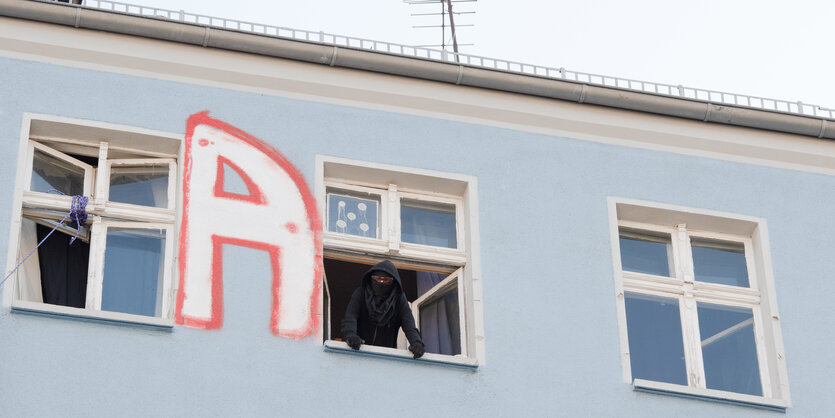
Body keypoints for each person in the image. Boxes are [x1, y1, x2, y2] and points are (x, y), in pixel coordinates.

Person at [341, 260, 425, 358]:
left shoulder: (399, 299)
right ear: (371, 279)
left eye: (386, 280)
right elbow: (350, 317)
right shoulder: (360, 293)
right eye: (377, 279)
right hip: (357, 351)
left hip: (385, 356)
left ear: (393, 282)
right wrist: (351, 335)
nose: (381, 283)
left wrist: (416, 343)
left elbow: (408, 324)